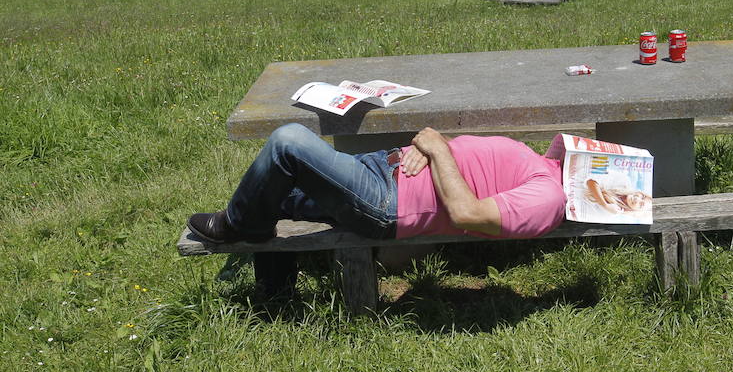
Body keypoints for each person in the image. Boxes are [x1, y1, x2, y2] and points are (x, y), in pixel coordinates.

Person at [187, 124, 566, 244]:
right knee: (279, 187)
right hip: (382, 168)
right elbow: (474, 168)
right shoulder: (543, 164)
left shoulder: (549, 198)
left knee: (289, 142)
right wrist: (436, 149)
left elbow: (468, 213)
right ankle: (273, 290)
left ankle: (240, 227)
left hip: (388, 202)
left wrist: (436, 146)